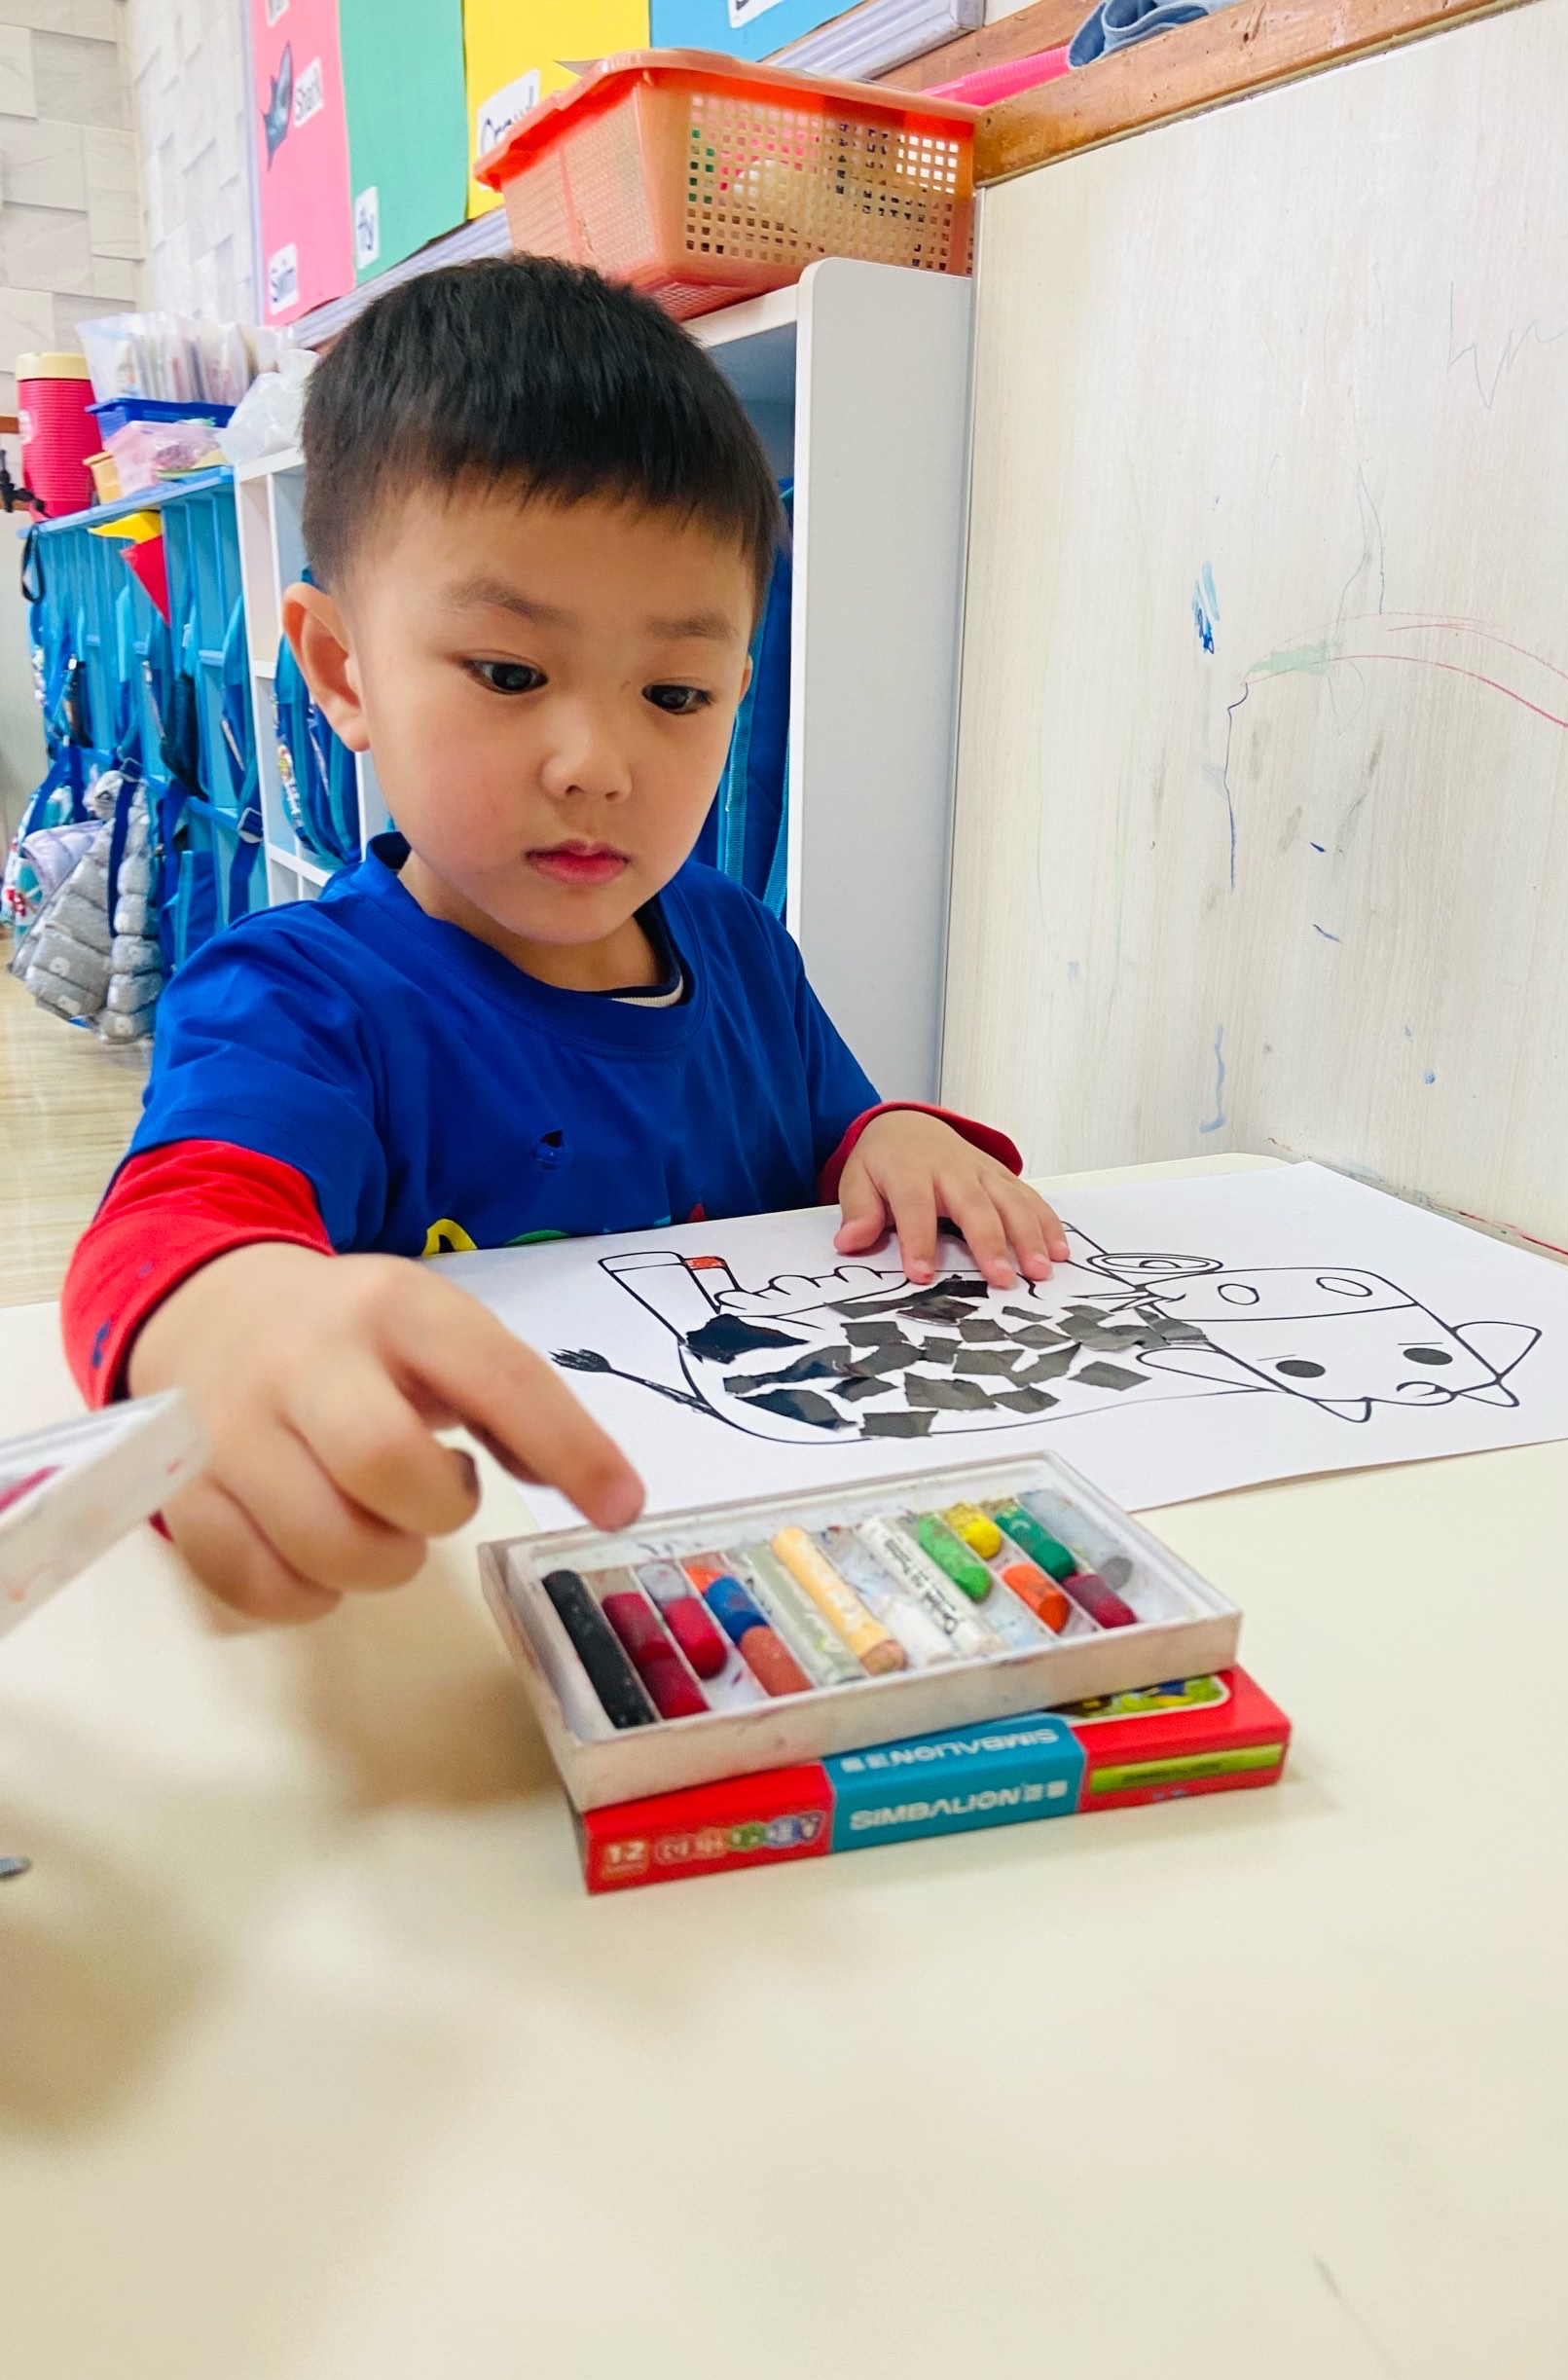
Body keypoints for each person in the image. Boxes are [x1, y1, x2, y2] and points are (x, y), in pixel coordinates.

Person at [61, 259, 1066, 1626]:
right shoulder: (292, 1000)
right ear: (343, 670)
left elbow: (836, 1135)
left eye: (676, 693)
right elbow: (179, 1220)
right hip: (459, 1597)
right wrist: (224, 1317)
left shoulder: (736, 942)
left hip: (783, 1572)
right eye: (511, 673)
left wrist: (894, 1143)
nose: (597, 762)